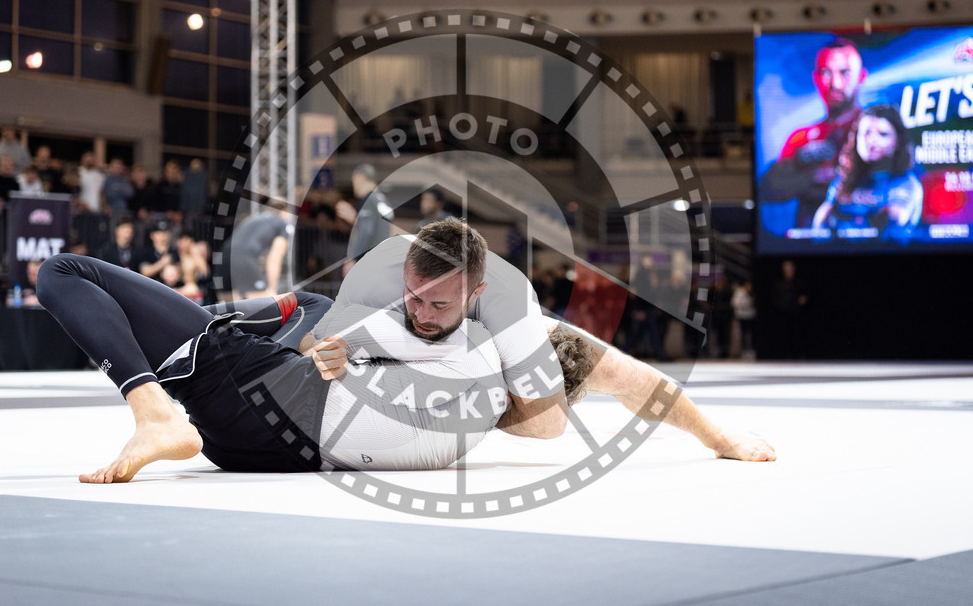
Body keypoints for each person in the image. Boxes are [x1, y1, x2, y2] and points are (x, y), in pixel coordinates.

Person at [303, 222, 775, 460]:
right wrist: (329, 351)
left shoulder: (510, 309)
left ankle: (716, 436)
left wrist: (468, 407)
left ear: (475, 291)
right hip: (393, 349)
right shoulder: (377, 269)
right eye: (414, 298)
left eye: (441, 305)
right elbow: (313, 343)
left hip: (499, 348)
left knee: (614, 370)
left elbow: (547, 427)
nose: (423, 314)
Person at [37, 247, 506, 482]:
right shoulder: (466, 381)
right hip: (270, 451)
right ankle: (166, 391)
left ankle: (154, 416)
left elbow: (224, 322)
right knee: (231, 327)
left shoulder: (330, 312)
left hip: (255, 402)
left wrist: (177, 317)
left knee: (61, 271)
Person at [759, 38, 867, 228]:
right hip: (809, 243)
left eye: (845, 72)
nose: (835, 83)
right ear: (816, 78)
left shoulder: (878, 131)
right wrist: (812, 176)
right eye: (826, 72)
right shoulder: (801, 139)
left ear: (861, 76)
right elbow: (768, 190)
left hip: (869, 242)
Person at [811, 104, 922, 238]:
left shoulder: (906, 183)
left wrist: (845, 211)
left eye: (882, 134)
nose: (871, 141)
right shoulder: (844, 180)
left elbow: (897, 218)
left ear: (897, 142)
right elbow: (820, 223)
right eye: (866, 133)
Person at [336, 163, 394, 276]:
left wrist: (353, 259)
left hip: (368, 262)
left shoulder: (368, 201)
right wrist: (355, 219)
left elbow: (366, 231)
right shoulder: (381, 199)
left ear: (360, 178)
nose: (354, 187)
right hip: (380, 260)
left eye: (354, 182)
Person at [228, 208, 294, 299]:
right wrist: (272, 289)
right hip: (244, 257)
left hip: (225, 255)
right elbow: (275, 258)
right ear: (284, 212)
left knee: (233, 305)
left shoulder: (255, 219)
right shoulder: (283, 223)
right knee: (265, 301)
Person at [731, 279, 756, 359]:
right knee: (742, 334)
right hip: (741, 317)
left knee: (750, 335)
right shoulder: (739, 292)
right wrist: (746, 304)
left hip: (750, 316)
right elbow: (734, 303)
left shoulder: (752, 293)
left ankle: (750, 350)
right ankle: (743, 351)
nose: (749, 287)